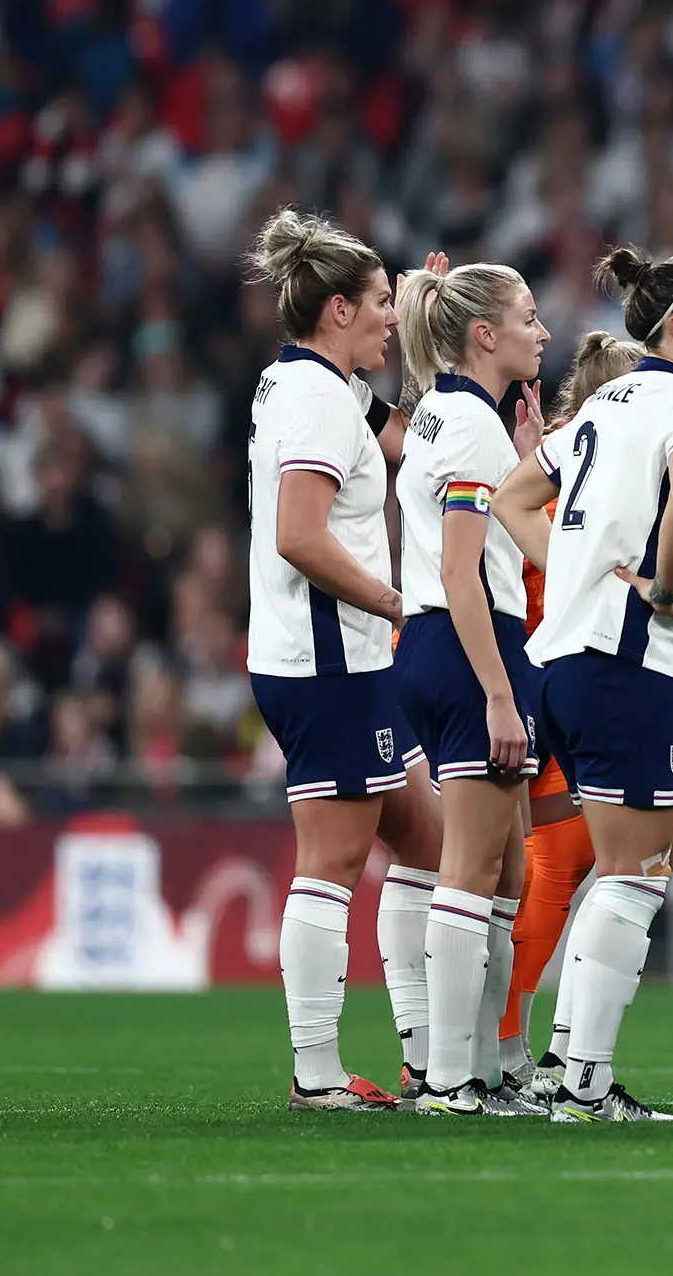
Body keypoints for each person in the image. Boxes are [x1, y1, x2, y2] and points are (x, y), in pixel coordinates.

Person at [491, 245, 673, 1123]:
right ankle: (584, 1081)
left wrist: (570, 571)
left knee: (618, 869)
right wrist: (666, 587)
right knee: (637, 872)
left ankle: (569, 1068)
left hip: (560, 663)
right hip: (624, 663)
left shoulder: (604, 401)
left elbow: (513, 499)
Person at [244, 208, 429, 1110]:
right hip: (329, 664)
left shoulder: (316, 380)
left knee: (432, 842)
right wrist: (399, 602)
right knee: (332, 863)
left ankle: (428, 1057)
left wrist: (433, 325)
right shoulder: (318, 398)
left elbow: (413, 444)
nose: (391, 317)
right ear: (340, 310)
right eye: (386, 302)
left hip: (342, 660)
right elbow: (297, 535)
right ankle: (316, 1073)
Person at [392, 258, 552, 1115]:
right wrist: (497, 693)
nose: (543, 331)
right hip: (469, 649)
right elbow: (463, 572)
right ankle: (453, 1078)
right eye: (528, 316)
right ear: (484, 334)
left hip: (436, 643)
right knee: (471, 867)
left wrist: (525, 462)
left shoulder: (440, 416)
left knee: (508, 867)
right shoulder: (469, 430)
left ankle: (482, 1068)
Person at [498, 332, 630, 1102]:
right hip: (548, 669)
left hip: (538, 667)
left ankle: (532, 1043)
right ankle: (512, 1043)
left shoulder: (554, 450)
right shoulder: (594, 453)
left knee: (554, 861)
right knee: (556, 860)